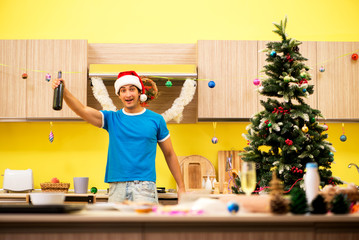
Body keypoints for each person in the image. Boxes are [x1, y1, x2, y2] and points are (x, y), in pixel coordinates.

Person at [52, 71, 185, 204]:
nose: (128, 94)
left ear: (140, 92)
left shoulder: (156, 120)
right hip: (117, 187)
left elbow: (169, 154)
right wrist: (64, 92)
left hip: (145, 187)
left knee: (144, 225)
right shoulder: (112, 118)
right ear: (119, 95)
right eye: (123, 90)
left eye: (132, 89)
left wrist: (182, 187)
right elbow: (82, 110)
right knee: (117, 225)